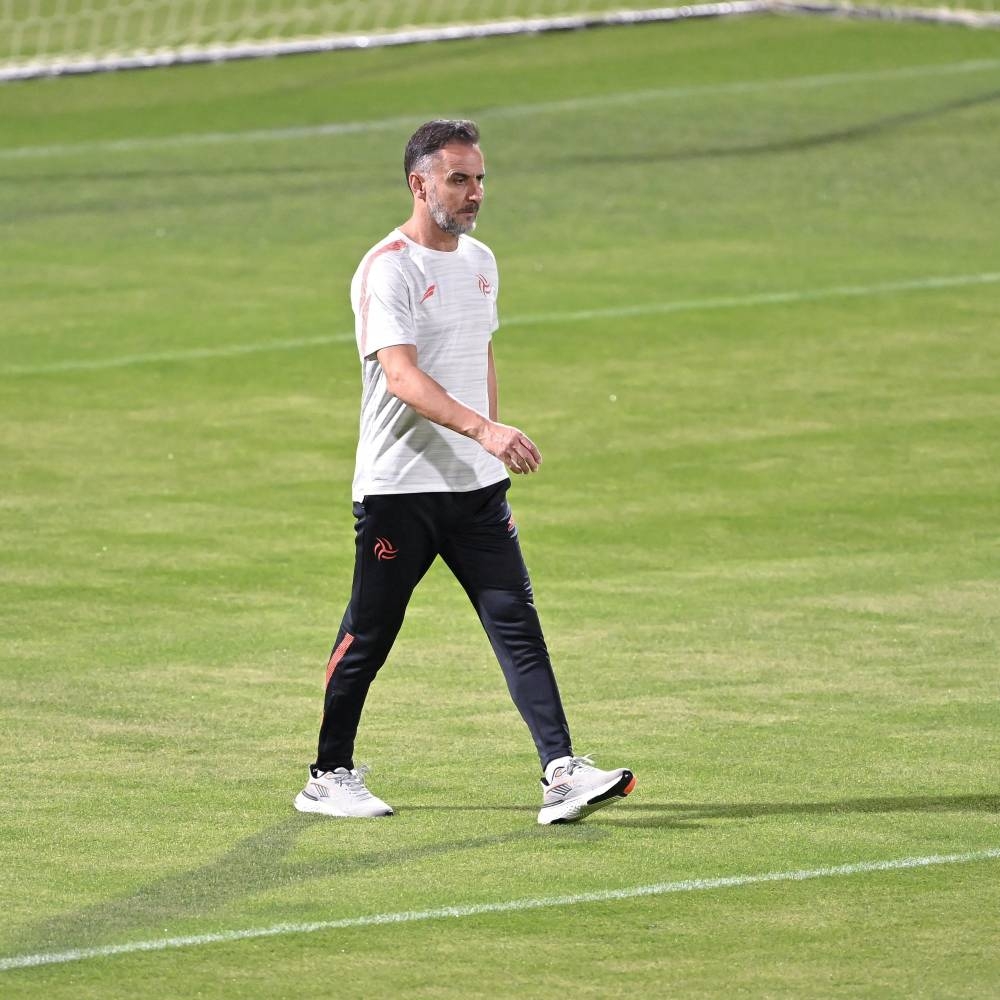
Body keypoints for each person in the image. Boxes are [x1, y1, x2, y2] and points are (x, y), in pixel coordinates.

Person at [294, 119, 635, 825]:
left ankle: (561, 771)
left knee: (517, 626)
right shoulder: (389, 267)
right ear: (419, 185)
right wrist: (484, 430)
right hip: (400, 489)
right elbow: (400, 377)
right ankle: (327, 775)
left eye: (480, 179)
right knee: (370, 632)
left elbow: (480, 355)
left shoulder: (481, 260)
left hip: (475, 490)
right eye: (458, 179)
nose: (474, 192)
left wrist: (491, 445)